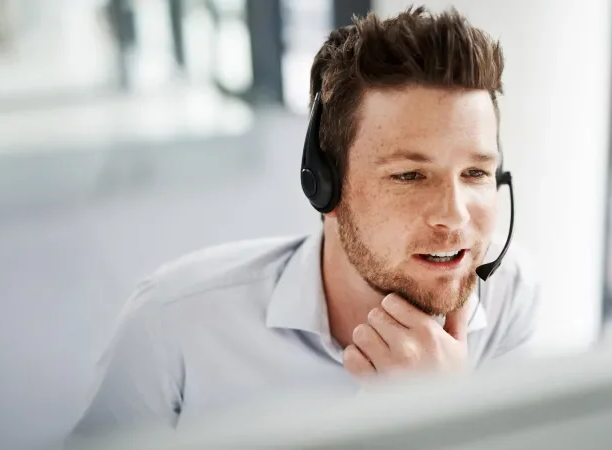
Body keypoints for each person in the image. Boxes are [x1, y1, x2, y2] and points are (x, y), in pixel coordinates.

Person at [69, 5, 539, 438]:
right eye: (410, 175)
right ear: (324, 184)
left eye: (476, 172)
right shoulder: (173, 324)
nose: (454, 215)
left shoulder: (509, 299)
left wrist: (448, 416)